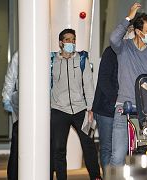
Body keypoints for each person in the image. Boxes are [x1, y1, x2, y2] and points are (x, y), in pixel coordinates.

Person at [109, 2, 147, 166]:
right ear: (138, 31)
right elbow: (113, 38)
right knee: (118, 156)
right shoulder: (124, 48)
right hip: (124, 107)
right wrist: (129, 17)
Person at [50, 28, 101, 180]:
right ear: (61, 43)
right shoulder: (52, 61)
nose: (71, 42)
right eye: (67, 40)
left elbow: (89, 85)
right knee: (58, 149)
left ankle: (96, 177)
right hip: (59, 110)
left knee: (89, 145)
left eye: (73, 40)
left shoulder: (81, 59)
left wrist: (91, 108)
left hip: (81, 110)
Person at [92, 46, 118, 173]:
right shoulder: (111, 51)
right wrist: (117, 100)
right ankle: (108, 176)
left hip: (125, 108)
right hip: (106, 108)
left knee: (119, 148)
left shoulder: (134, 52)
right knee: (107, 147)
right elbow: (104, 80)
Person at [2, 51, 19, 180]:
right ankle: (13, 176)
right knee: (17, 143)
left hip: (42, 107)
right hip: (21, 105)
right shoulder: (19, 55)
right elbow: (11, 77)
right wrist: (6, 98)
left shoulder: (47, 54)